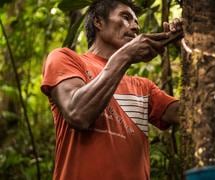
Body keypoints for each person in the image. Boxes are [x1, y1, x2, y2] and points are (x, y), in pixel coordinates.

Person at [40, 0, 182, 179]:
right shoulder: (65, 58)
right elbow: (77, 113)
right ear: (98, 22)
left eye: (136, 22)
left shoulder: (144, 87)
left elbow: (189, 114)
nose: (134, 27)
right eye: (126, 17)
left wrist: (189, 51)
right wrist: (126, 56)